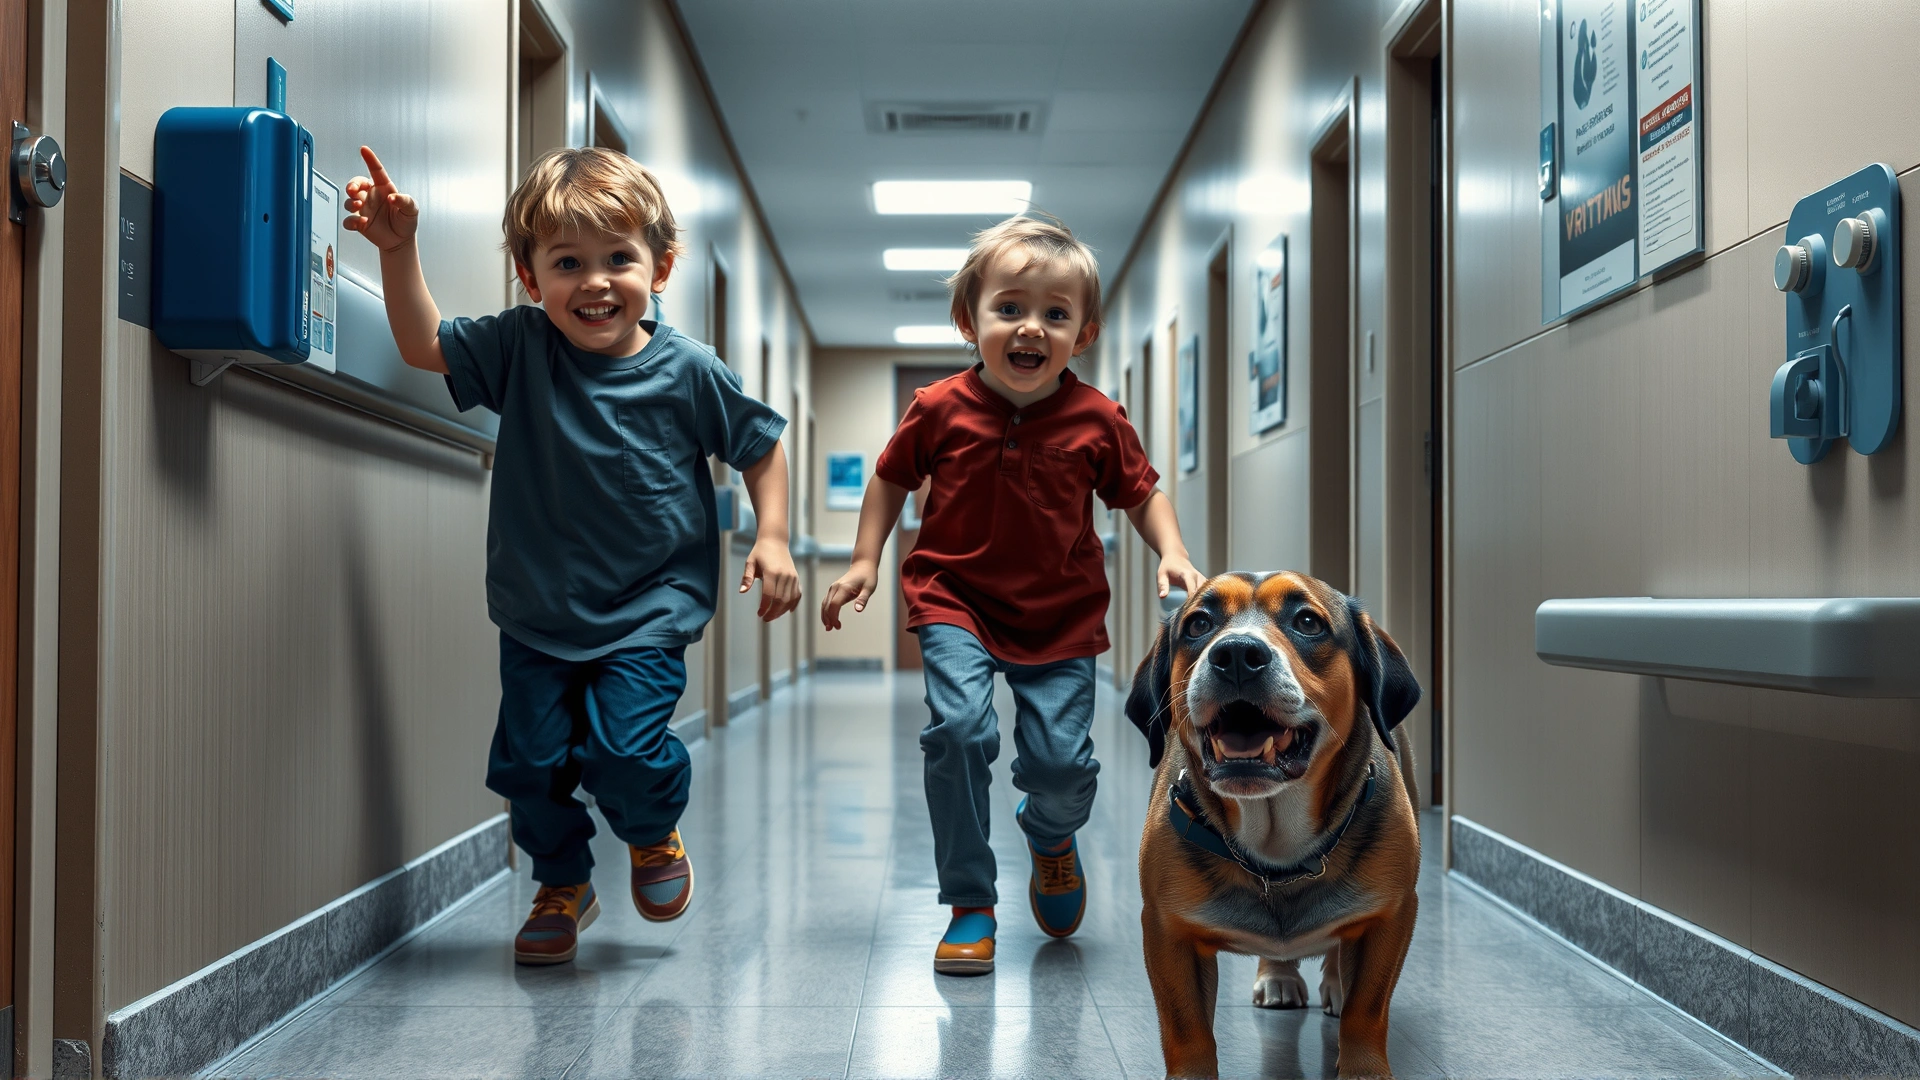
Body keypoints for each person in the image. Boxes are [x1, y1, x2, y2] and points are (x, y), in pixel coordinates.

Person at [345, 145, 800, 965]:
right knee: (531, 764)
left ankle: (651, 828)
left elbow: (761, 447)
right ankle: (563, 884)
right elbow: (422, 345)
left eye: (617, 258)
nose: (594, 281)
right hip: (538, 608)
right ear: (531, 278)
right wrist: (395, 249)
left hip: (651, 607)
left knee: (622, 748)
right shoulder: (521, 347)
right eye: (567, 263)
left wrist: (771, 536)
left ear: (659, 267)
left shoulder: (688, 370)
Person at [820, 215, 1205, 975]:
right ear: (971, 320)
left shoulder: (1097, 418)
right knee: (958, 733)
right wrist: (865, 560)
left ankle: (1050, 834)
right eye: (1010, 309)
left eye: (1055, 315)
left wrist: (1175, 552)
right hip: (952, 597)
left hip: (1060, 615)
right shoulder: (937, 407)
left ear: (1083, 333)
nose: (1031, 328)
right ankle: (970, 902)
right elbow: (892, 479)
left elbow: (1142, 492)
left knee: (1062, 769)